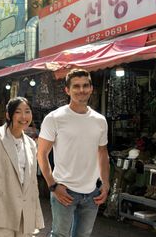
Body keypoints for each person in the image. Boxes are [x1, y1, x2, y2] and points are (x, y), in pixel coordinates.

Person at [37, 68, 110, 237]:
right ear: (67, 90)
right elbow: (41, 154)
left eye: (85, 85)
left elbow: (102, 152)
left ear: (91, 89)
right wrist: (53, 186)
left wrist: (105, 183)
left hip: (92, 192)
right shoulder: (54, 118)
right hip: (64, 190)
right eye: (76, 86)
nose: (81, 90)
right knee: (60, 235)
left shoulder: (100, 120)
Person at [0, 97, 44, 237]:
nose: (24, 117)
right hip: (0, 210)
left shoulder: (31, 144)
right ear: (8, 115)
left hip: (24, 213)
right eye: (18, 112)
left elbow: (32, 183)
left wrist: (36, 214)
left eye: (27, 111)